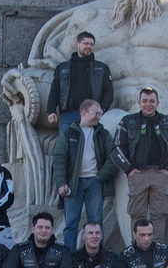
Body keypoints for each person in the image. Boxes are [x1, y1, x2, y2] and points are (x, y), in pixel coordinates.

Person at [115, 86, 168, 242]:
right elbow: (116, 147)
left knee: (159, 214)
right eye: (145, 101)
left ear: (158, 102)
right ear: (139, 102)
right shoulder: (128, 121)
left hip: (161, 174)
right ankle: (136, 250)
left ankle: (157, 250)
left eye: (152, 101)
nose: (148, 104)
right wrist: (129, 169)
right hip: (137, 174)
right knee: (137, 214)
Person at [50, 97, 119, 244]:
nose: (98, 117)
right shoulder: (68, 134)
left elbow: (114, 156)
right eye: (95, 113)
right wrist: (62, 183)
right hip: (73, 184)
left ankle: (96, 259)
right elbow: (59, 159)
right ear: (84, 112)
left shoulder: (103, 134)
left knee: (96, 224)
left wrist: (101, 176)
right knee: (71, 225)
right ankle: (69, 259)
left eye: (100, 114)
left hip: (95, 182)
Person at [42, 27, 112, 127]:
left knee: (90, 142)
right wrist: (51, 111)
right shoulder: (62, 68)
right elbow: (55, 90)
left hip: (92, 115)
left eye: (91, 44)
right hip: (68, 115)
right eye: (85, 43)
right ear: (77, 44)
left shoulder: (102, 68)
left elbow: (109, 91)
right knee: (65, 142)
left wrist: (102, 109)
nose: (89, 46)